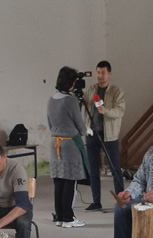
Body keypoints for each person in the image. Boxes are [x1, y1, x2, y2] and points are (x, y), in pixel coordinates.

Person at [48, 66, 89, 228]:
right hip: (69, 144)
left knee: (59, 181)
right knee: (70, 181)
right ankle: (68, 218)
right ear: (71, 82)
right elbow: (80, 126)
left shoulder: (51, 99)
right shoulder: (71, 100)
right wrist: (85, 130)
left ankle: (60, 216)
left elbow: (50, 123)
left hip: (54, 143)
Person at [83, 60, 126, 209]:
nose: (100, 75)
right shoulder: (91, 90)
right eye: (98, 72)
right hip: (92, 134)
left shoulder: (116, 91)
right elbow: (84, 105)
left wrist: (105, 111)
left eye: (103, 72)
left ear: (109, 74)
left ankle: (121, 201)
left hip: (110, 135)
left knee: (115, 169)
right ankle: (96, 202)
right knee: (93, 170)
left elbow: (120, 111)